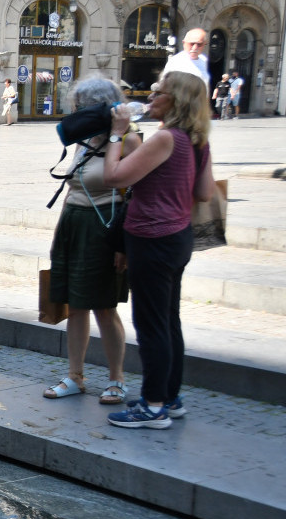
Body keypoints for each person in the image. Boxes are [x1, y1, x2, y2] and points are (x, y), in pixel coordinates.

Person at [100, 71, 214, 428]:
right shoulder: (197, 140)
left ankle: (152, 406)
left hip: (151, 238)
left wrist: (117, 133)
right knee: (168, 320)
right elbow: (206, 193)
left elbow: (114, 177)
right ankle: (170, 396)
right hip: (178, 237)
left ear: (175, 100)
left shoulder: (166, 138)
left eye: (159, 92)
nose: (151, 96)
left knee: (150, 324)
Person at [42, 78, 140, 405]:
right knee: (76, 304)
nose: (77, 113)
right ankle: (75, 376)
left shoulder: (128, 140)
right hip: (73, 222)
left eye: (83, 107)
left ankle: (117, 379)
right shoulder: (85, 140)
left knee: (104, 307)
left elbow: (138, 195)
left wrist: (123, 245)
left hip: (105, 225)